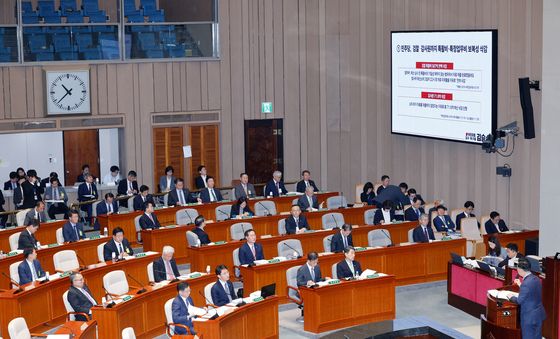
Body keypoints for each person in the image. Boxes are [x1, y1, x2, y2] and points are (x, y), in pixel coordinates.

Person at [507, 258, 546, 339]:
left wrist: (511, 297)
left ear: (520, 270)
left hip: (529, 317)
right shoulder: (536, 278)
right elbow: (531, 292)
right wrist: (520, 285)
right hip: (538, 314)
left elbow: (519, 301)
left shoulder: (526, 284)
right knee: (537, 337)